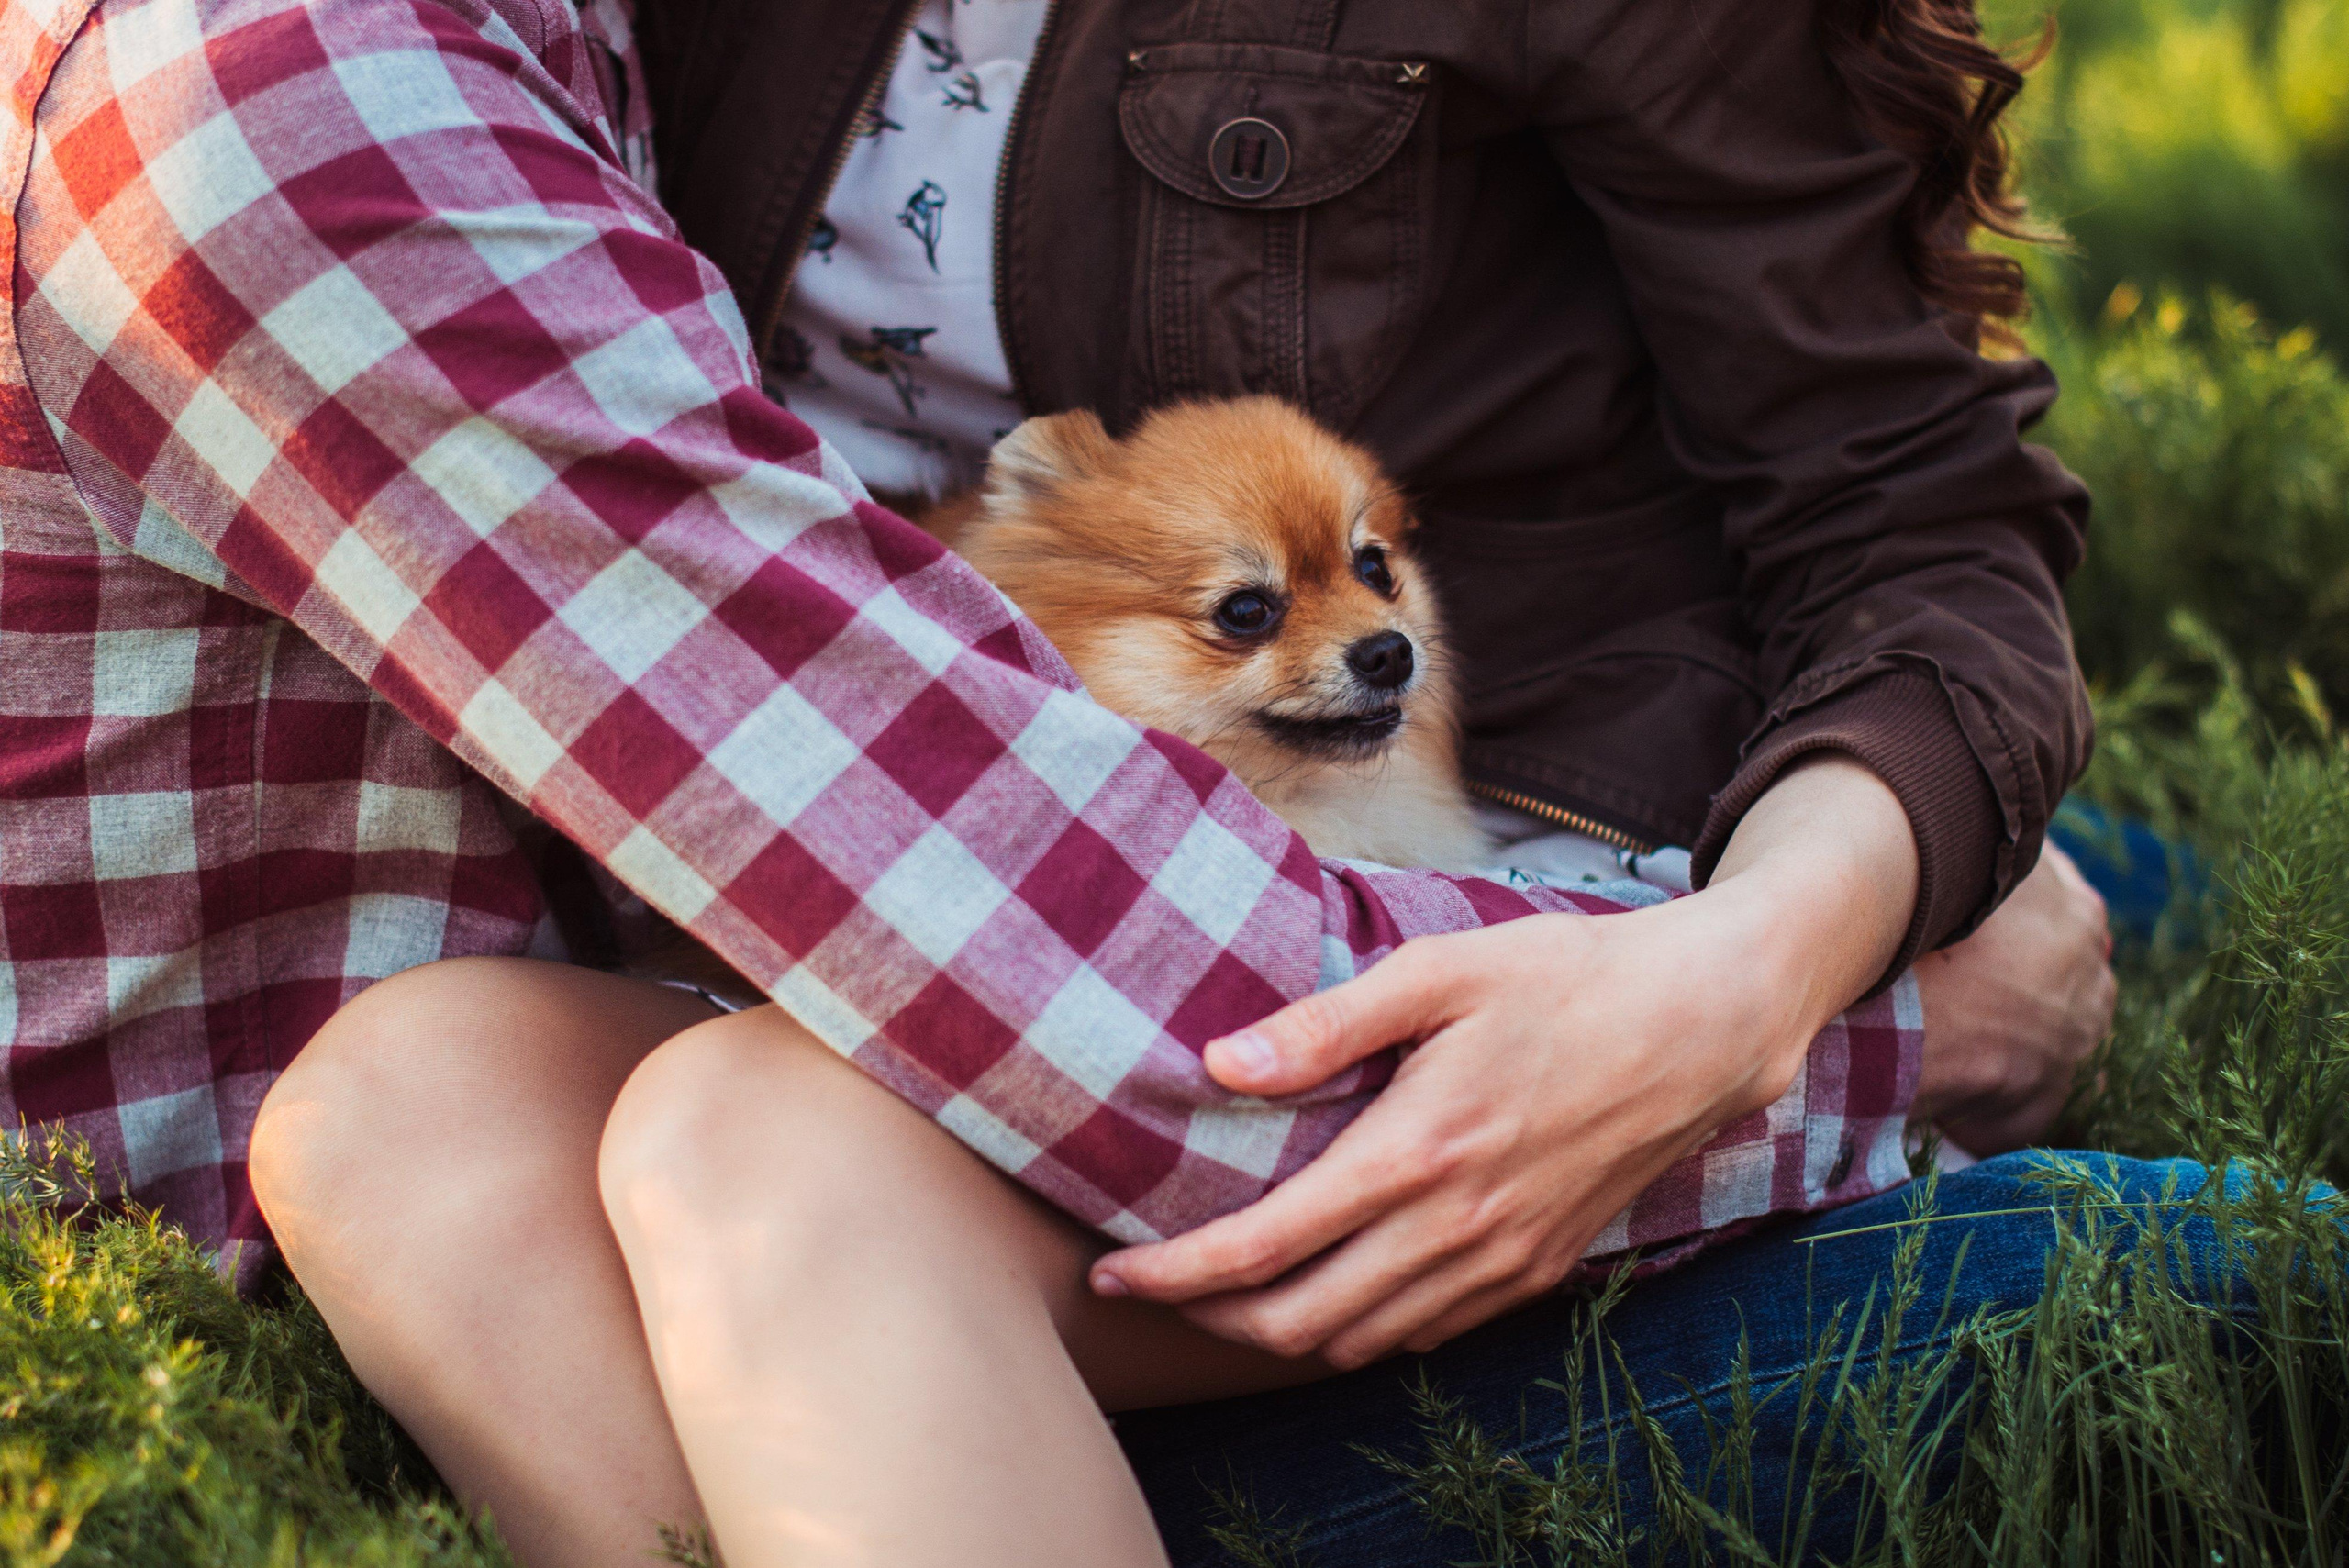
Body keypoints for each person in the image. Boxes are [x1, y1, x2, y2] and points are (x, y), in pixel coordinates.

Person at [0, 0, 2119, 1561]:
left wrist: (1769, 965)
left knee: (773, 1158)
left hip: (1460, 900)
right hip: (929, 874)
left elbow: (1910, 508)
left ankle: (2056, 1285)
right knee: (396, 1112)